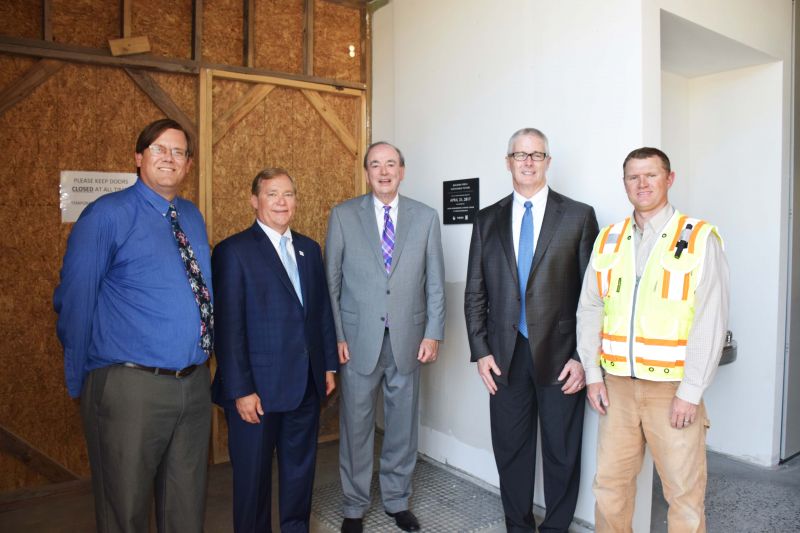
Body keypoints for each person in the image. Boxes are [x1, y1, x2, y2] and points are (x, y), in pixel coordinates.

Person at [54, 118, 213, 533]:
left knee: (186, 510)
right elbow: (75, 301)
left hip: (193, 385)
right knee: (125, 512)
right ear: (138, 157)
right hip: (131, 389)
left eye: (179, 152)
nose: (169, 158)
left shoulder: (191, 217)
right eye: (159, 149)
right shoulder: (107, 215)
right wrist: (82, 379)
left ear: (188, 165)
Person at [576, 147, 729, 532]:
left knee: (683, 494)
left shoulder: (697, 238)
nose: (642, 184)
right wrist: (593, 374)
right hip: (618, 389)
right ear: (624, 183)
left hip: (672, 390)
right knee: (610, 488)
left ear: (669, 179)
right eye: (633, 177)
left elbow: (710, 318)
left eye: (651, 175)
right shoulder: (608, 239)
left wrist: (691, 390)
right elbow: (590, 308)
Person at [465, 128, 598, 532]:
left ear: (547, 162)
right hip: (504, 355)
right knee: (511, 450)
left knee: (561, 451)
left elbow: (595, 296)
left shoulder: (578, 215)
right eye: (520, 155)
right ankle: (518, 527)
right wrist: (481, 350)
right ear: (508, 162)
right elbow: (475, 289)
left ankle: (556, 528)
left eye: (536, 155)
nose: (527, 161)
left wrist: (583, 358)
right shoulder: (487, 219)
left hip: (562, 357)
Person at [325, 141, 446, 533]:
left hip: (408, 339)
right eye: (375, 164)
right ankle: (354, 506)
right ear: (366, 172)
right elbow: (332, 282)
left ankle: (396, 500)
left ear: (402, 171)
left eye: (390, 164)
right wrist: (337, 335)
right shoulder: (343, 216)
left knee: (401, 426)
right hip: (358, 341)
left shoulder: (425, 217)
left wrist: (433, 332)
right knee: (356, 427)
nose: (383, 171)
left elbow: (435, 283)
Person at [212, 167, 338, 532]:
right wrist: (241, 390)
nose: (282, 202)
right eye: (272, 194)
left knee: (299, 476)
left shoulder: (309, 249)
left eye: (288, 194)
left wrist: (328, 365)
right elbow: (229, 327)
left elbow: (320, 313)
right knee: (252, 484)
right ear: (255, 201)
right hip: (256, 394)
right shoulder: (233, 251)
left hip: (306, 386)